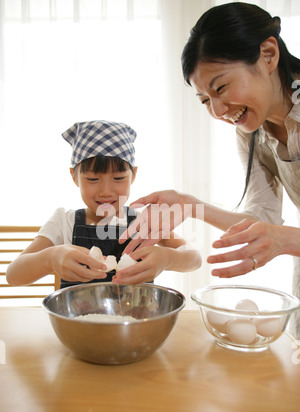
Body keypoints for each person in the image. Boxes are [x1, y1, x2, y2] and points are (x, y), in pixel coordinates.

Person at [119, 2, 300, 335]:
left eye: (220, 88)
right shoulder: (252, 134)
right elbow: (263, 222)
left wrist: (287, 241)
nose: (217, 110)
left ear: (268, 55)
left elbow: (280, 236)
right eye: (204, 100)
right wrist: (191, 206)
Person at [6, 120, 202, 288]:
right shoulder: (63, 222)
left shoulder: (144, 222)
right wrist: (50, 258)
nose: (106, 191)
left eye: (118, 178)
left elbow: (194, 259)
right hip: (79, 327)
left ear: (133, 175)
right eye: (93, 179)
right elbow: (13, 275)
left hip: (135, 325)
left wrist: (167, 258)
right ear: (74, 177)